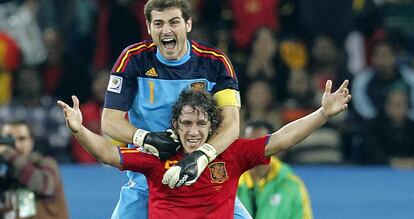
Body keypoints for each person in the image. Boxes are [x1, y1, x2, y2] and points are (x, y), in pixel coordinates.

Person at [58, 79, 351, 218]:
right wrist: (79, 129)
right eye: (186, 123)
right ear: (175, 125)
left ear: (212, 126)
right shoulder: (158, 156)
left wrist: (323, 113)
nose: (193, 131)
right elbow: (107, 154)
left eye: (200, 123)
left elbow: (282, 138)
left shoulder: (231, 154)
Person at [101, 0, 241, 218]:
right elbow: (109, 121)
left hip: (205, 179)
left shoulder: (215, 63)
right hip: (148, 180)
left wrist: (202, 156)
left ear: (188, 24)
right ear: (148, 28)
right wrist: (145, 138)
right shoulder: (133, 59)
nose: (166, 30)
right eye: (158, 24)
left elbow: (232, 124)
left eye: (174, 22)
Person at [237, 120, 313, 219]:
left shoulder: (292, 185)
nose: (255, 148)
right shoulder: (229, 181)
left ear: (274, 144)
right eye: (250, 142)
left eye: (261, 142)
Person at [0, 120, 69, 219]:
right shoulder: (6, 176)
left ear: (31, 141)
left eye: (22, 139)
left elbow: (43, 184)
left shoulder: (46, 164)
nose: (16, 145)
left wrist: (8, 154)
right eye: (9, 140)